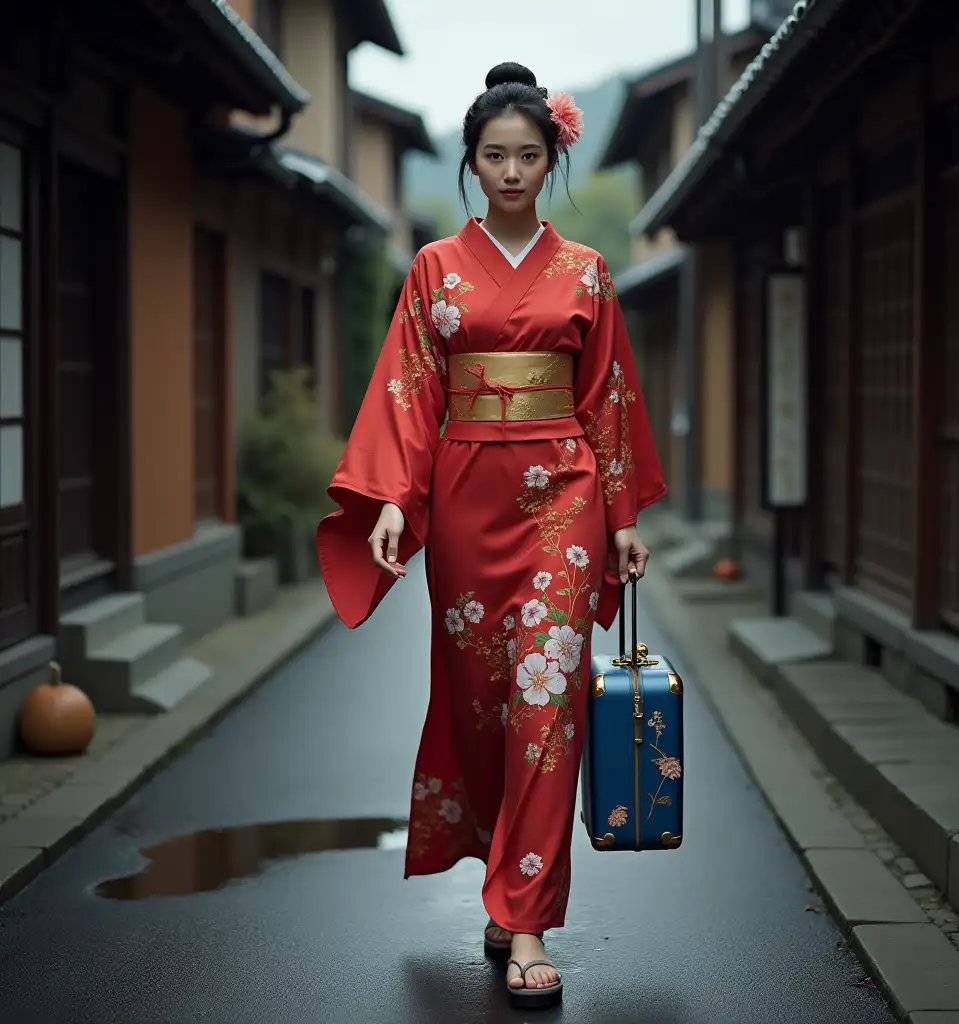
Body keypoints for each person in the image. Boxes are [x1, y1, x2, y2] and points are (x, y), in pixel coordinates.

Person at [317, 61, 666, 1010]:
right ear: (470, 166)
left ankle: (526, 919)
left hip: (566, 496)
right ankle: (504, 877)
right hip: (467, 491)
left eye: (527, 155)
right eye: (492, 157)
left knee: (546, 701)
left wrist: (623, 516)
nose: (510, 171)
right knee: (481, 702)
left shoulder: (587, 272)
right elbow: (409, 391)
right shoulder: (434, 268)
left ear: (551, 161)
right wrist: (393, 497)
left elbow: (609, 398)